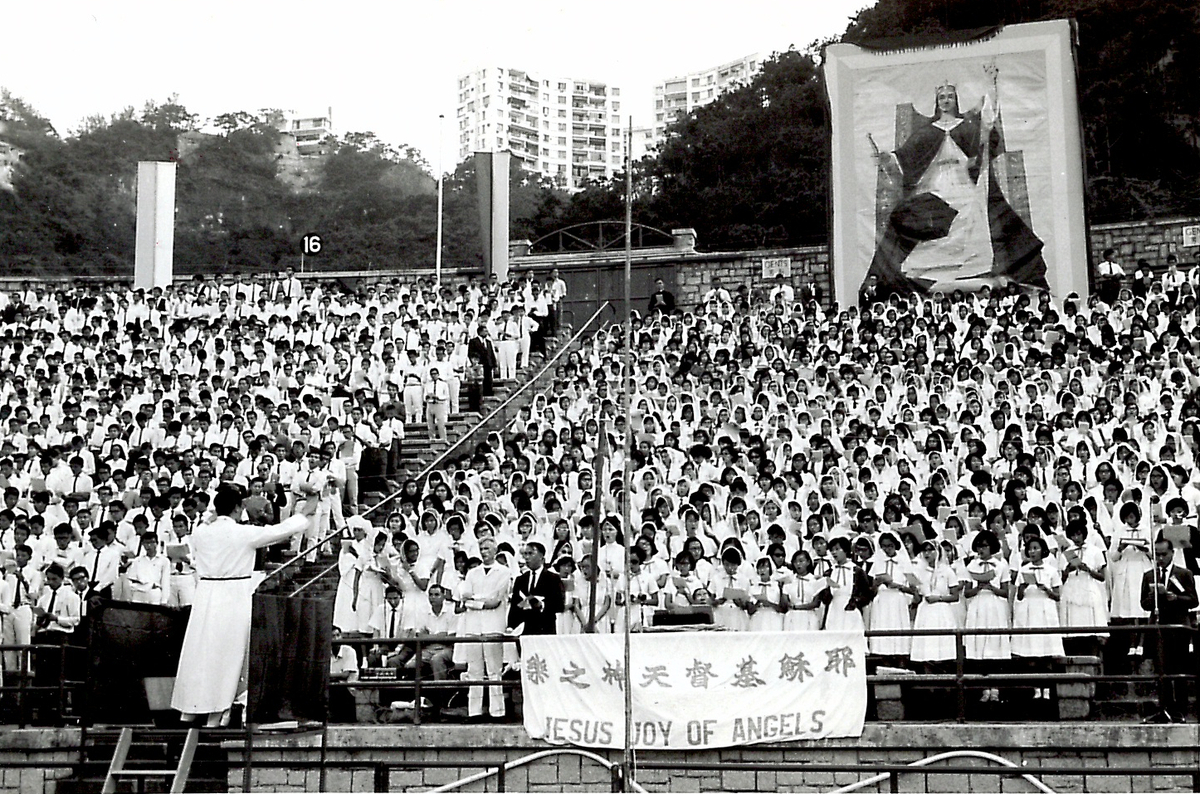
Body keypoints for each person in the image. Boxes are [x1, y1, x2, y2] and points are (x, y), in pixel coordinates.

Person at [868, 73, 1045, 292]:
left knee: (974, 214)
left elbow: (986, 131)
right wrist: (888, 157)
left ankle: (972, 270)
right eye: (941, 97)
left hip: (964, 184)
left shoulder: (967, 127)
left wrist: (991, 89)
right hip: (935, 186)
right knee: (927, 219)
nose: (945, 100)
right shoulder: (926, 133)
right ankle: (932, 272)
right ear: (936, 102)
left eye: (949, 96)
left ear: (956, 100)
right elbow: (905, 157)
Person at [170, 483, 313, 727]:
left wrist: (212, 514)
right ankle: (217, 714)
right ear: (237, 509)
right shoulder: (242, 533)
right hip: (232, 594)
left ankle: (195, 711)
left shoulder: (201, 533)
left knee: (203, 651)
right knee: (229, 654)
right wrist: (306, 513)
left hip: (206, 594)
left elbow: (206, 522)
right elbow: (282, 529)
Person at [1140, 539, 1197, 723]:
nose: (1161, 558)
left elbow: (1193, 600)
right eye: (1157, 555)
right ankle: (1163, 708)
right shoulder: (1149, 575)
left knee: (1178, 669)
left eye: (1164, 554)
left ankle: (1180, 710)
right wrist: (1152, 597)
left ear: (1172, 553)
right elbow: (1143, 604)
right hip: (1158, 628)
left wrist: (1176, 598)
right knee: (1161, 670)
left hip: (1178, 627)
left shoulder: (1184, 573)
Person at [453, 537, 510, 721]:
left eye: (487, 548)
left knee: (494, 670)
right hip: (473, 626)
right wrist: (481, 600)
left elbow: (495, 601)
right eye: (482, 548)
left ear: (495, 551)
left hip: (494, 625)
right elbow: (464, 598)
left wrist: (475, 600)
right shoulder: (472, 573)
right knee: (474, 670)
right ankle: (474, 711)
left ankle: (497, 711)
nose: (484, 552)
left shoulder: (504, 572)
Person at [508, 541, 563, 635]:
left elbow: (559, 605)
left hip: (544, 628)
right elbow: (514, 606)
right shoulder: (520, 579)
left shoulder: (553, 578)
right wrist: (510, 626)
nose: (527, 557)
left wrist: (541, 604)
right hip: (524, 630)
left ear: (541, 557)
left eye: (531, 553)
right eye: (525, 554)